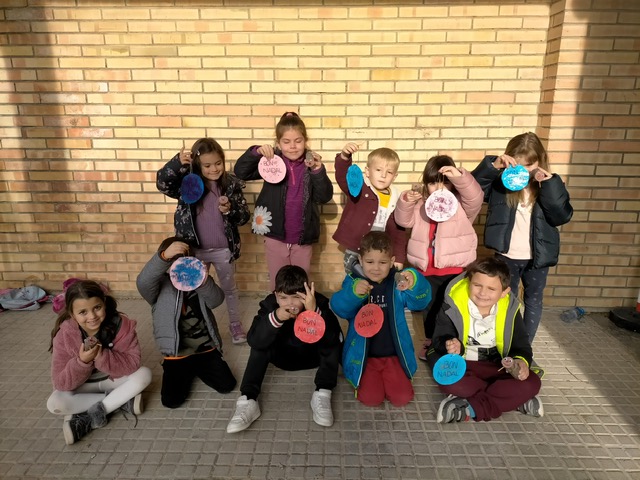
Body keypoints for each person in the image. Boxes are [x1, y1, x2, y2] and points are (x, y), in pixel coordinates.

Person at [472, 132, 573, 341]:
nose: (524, 171)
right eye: (518, 165)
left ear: (540, 161)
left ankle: (524, 346)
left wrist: (550, 185)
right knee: (507, 300)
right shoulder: (501, 184)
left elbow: (561, 216)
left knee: (533, 300)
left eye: (529, 165)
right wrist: (493, 166)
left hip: (537, 257)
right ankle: (506, 340)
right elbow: (472, 189)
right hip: (507, 254)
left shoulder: (550, 186)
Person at [226, 265, 343, 433]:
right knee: (260, 343)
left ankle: (323, 392)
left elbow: (334, 338)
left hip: (313, 356)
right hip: (282, 357)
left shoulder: (319, 302)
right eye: (283, 298)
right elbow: (254, 340)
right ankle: (248, 399)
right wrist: (276, 317)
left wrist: (314, 312)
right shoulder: (270, 304)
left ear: (307, 293)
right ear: (276, 295)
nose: (290, 304)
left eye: (296, 297)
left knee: (332, 337)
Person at [427, 257, 544, 423]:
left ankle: (468, 408)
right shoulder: (452, 303)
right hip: (465, 364)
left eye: (491, 289)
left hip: (498, 365)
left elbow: (521, 344)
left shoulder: (510, 310)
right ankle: (513, 400)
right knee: (450, 381)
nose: (483, 293)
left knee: (532, 382)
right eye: (477, 285)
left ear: (504, 292)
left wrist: (520, 361)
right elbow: (438, 339)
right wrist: (451, 344)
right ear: (469, 282)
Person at [157, 138, 250, 344]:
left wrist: (230, 210)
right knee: (194, 290)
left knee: (229, 289)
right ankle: (200, 326)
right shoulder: (187, 184)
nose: (214, 169)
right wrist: (176, 164)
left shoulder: (231, 185)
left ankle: (235, 324)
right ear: (198, 165)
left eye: (218, 163)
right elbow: (163, 184)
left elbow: (244, 217)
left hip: (223, 250)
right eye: (207, 165)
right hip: (195, 251)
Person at [394, 155, 483, 361]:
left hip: (455, 269)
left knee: (451, 308)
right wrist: (406, 201)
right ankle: (429, 341)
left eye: (445, 182)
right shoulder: (421, 205)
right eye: (433, 183)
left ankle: (453, 342)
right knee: (430, 307)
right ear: (426, 184)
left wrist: (459, 177)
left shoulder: (461, 205)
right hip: (427, 270)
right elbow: (403, 221)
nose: (439, 188)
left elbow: (475, 197)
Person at [234, 112, 333, 290]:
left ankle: (301, 309)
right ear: (278, 143)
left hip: (302, 239)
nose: (293, 146)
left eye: (298, 141)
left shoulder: (311, 164)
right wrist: (256, 152)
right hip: (275, 237)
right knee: (278, 283)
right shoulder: (271, 162)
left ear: (305, 141)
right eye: (286, 142)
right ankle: (279, 308)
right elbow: (241, 172)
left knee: (301, 285)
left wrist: (318, 171)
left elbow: (324, 197)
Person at [330, 232, 431, 407]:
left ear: (391, 261)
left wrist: (414, 281)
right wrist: (353, 293)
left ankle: (394, 375)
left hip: (395, 354)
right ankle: (365, 379)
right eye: (370, 262)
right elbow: (339, 308)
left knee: (402, 398)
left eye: (382, 262)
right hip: (365, 356)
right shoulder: (353, 281)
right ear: (361, 260)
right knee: (371, 398)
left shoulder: (399, 282)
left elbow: (421, 302)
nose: (376, 268)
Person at [47, 280, 152, 445]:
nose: (92, 317)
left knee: (144, 375)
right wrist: (82, 362)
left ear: (104, 303)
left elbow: (133, 363)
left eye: (97, 308)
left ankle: (87, 419)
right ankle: (120, 401)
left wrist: (101, 356)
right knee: (55, 403)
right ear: (72, 314)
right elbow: (60, 382)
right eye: (83, 312)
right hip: (83, 385)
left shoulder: (121, 325)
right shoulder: (64, 334)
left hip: (113, 380)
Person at [136, 236, 237, 409]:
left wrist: (204, 282)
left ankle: (196, 368)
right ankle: (185, 370)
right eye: (172, 262)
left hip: (204, 348)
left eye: (184, 261)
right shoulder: (157, 287)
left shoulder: (198, 282)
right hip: (177, 351)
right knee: (171, 401)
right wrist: (163, 257)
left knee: (227, 385)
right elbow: (143, 282)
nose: (178, 267)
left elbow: (216, 300)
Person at [333, 142, 407, 275]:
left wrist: (399, 257)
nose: (383, 175)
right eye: (378, 170)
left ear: (395, 176)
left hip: (380, 253)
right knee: (355, 281)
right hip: (356, 250)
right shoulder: (359, 187)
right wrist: (344, 156)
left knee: (376, 282)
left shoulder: (396, 198)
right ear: (367, 171)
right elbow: (343, 177)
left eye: (389, 172)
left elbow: (399, 231)